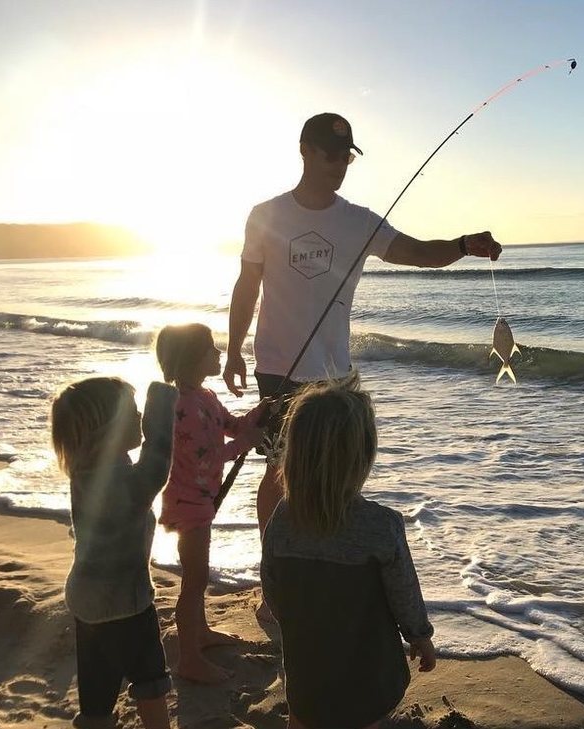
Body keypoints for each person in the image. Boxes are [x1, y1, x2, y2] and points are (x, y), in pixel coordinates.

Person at [223, 112, 504, 559]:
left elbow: (417, 253)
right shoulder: (266, 216)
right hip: (279, 367)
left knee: (337, 470)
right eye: (331, 154)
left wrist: (463, 245)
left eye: (346, 157)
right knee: (280, 470)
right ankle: (275, 571)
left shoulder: (359, 221)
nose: (339, 164)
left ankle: (320, 557)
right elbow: (246, 284)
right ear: (305, 151)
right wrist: (234, 349)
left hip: (335, 372)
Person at [260, 372, 436, 729]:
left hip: (305, 663)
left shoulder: (282, 517)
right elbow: (404, 595)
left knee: (303, 716)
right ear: (363, 456)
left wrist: (305, 623)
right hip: (366, 671)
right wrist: (419, 636)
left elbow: (272, 586)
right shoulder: (380, 526)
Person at [50, 376, 178, 729]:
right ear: (108, 428)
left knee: (97, 683)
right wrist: (163, 399)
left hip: (86, 598)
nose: (140, 419)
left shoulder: (85, 472)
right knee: (150, 678)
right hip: (125, 601)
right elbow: (157, 464)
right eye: (134, 413)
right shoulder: (119, 481)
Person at [154, 323, 270, 683]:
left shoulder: (204, 396)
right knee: (194, 578)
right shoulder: (185, 406)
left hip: (200, 498)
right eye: (211, 349)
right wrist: (247, 442)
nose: (219, 353)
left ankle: (200, 633)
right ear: (192, 357)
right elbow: (207, 457)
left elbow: (232, 426)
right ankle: (189, 659)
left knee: (197, 576)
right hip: (187, 501)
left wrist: (257, 415)